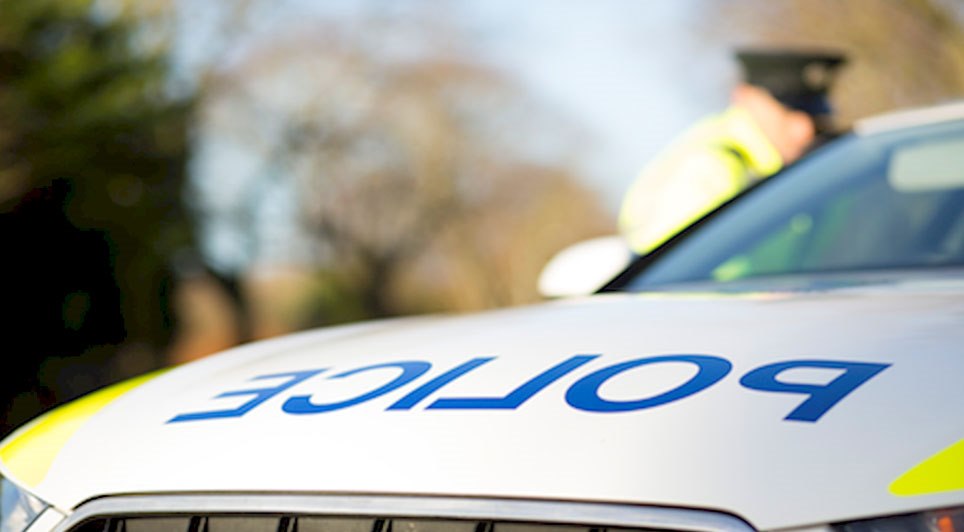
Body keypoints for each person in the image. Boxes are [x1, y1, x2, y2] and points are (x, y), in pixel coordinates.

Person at [618, 49, 847, 254]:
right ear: (745, 97)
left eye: (816, 118)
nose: (804, 130)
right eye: (787, 112)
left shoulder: (788, 164)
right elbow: (676, 274)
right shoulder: (710, 168)